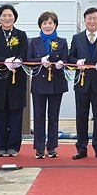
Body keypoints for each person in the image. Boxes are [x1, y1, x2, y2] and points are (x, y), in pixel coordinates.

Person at [67, 7, 97, 160]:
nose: (92, 21)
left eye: (95, 18)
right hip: (81, 82)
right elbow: (70, 58)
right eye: (89, 18)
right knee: (81, 116)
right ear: (85, 20)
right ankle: (81, 148)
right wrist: (77, 62)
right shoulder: (77, 38)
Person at [0, 4, 28, 157]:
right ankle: (0, 146)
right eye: (4, 15)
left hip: (17, 78)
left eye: (10, 15)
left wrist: (17, 60)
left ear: (14, 17)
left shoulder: (21, 35)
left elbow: (24, 52)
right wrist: (5, 60)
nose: (7, 18)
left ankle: (14, 146)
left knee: (16, 114)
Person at [27, 11, 69, 159]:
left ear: (55, 25)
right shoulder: (34, 41)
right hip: (39, 83)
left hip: (57, 83)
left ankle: (52, 147)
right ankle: (39, 147)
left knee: (53, 116)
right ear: (40, 25)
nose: (47, 26)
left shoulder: (62, 41)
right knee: (38, 116)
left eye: (50, 23)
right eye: (44, 23)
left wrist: (61, 63)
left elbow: (66, 60)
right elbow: (28, 61)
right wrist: (40, 60)